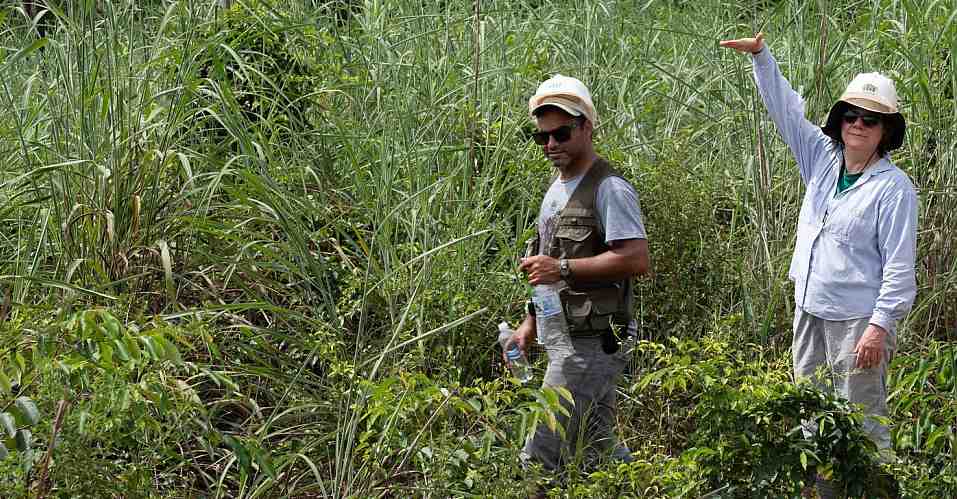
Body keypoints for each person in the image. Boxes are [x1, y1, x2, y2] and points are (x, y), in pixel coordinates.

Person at [720, 33, 917, 494]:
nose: (859, 125)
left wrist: (879, 327)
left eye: (871, 120)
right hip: (809, 310)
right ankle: (819, 492)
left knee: (861, 423)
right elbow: (785, 112)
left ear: (886, 130)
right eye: (852, 115)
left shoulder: (893, 188)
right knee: (811, 414)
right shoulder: (823, 160)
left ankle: (873, 491)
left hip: (857, 324)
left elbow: (899, 269)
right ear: (840, 119)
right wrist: (761, 58)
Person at [504, 74, 651, 486]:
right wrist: (529, 326)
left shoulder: (610, 188)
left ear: (587, 126)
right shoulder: (556, 187)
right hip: (563, 335)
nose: (551, 145)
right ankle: (645, 487)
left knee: (539, 451)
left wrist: (563, 269)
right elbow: (545, 268)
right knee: (598, 445)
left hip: (594, 340)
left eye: (562, 133)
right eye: (543, 137)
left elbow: (636, 259)